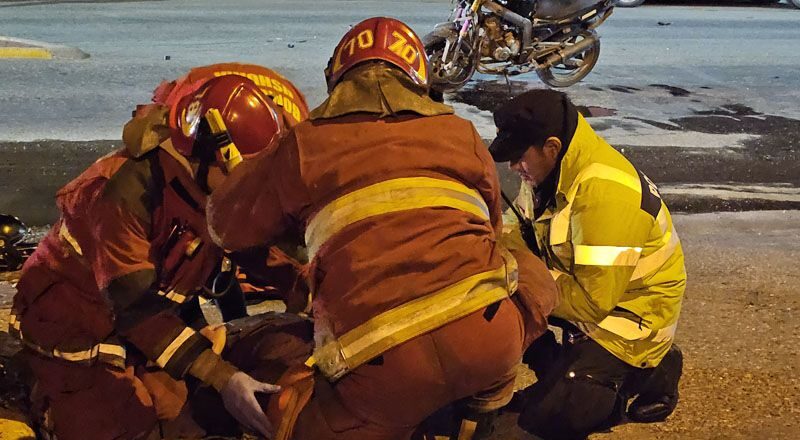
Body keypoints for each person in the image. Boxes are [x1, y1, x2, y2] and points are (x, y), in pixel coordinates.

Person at [207, 16, 558, 440]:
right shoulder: (460, 133)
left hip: (384, 361)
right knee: (523, 267)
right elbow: (489, 228)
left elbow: (226, 227)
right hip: (488, 338)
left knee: (290, 408)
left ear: (337, 77)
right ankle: (482, 409)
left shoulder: (305, 143)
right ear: (419, 81)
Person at [9, 72, 309, 439]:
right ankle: (37, 393)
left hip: (140, 334)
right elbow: (135, 308)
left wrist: (309, 287)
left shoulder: (206, 185)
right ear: (204, 156)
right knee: (126, 427)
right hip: (75, 334)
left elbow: (250, 243)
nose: (248, 189)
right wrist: (222, 376)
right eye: (240, 175)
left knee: (183, 417)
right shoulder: (123, 192)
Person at [490, 89, 686, 440]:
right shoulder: (549, 174)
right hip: (596, 301)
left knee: (535, 425)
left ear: (551, 147)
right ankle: (568, 371)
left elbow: (590, 303)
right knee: (504, 301)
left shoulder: (604, 195)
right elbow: (516, 230)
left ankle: (636, 377)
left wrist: (517, 275)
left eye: (519, 157)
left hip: (628, 322)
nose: (512, 167)